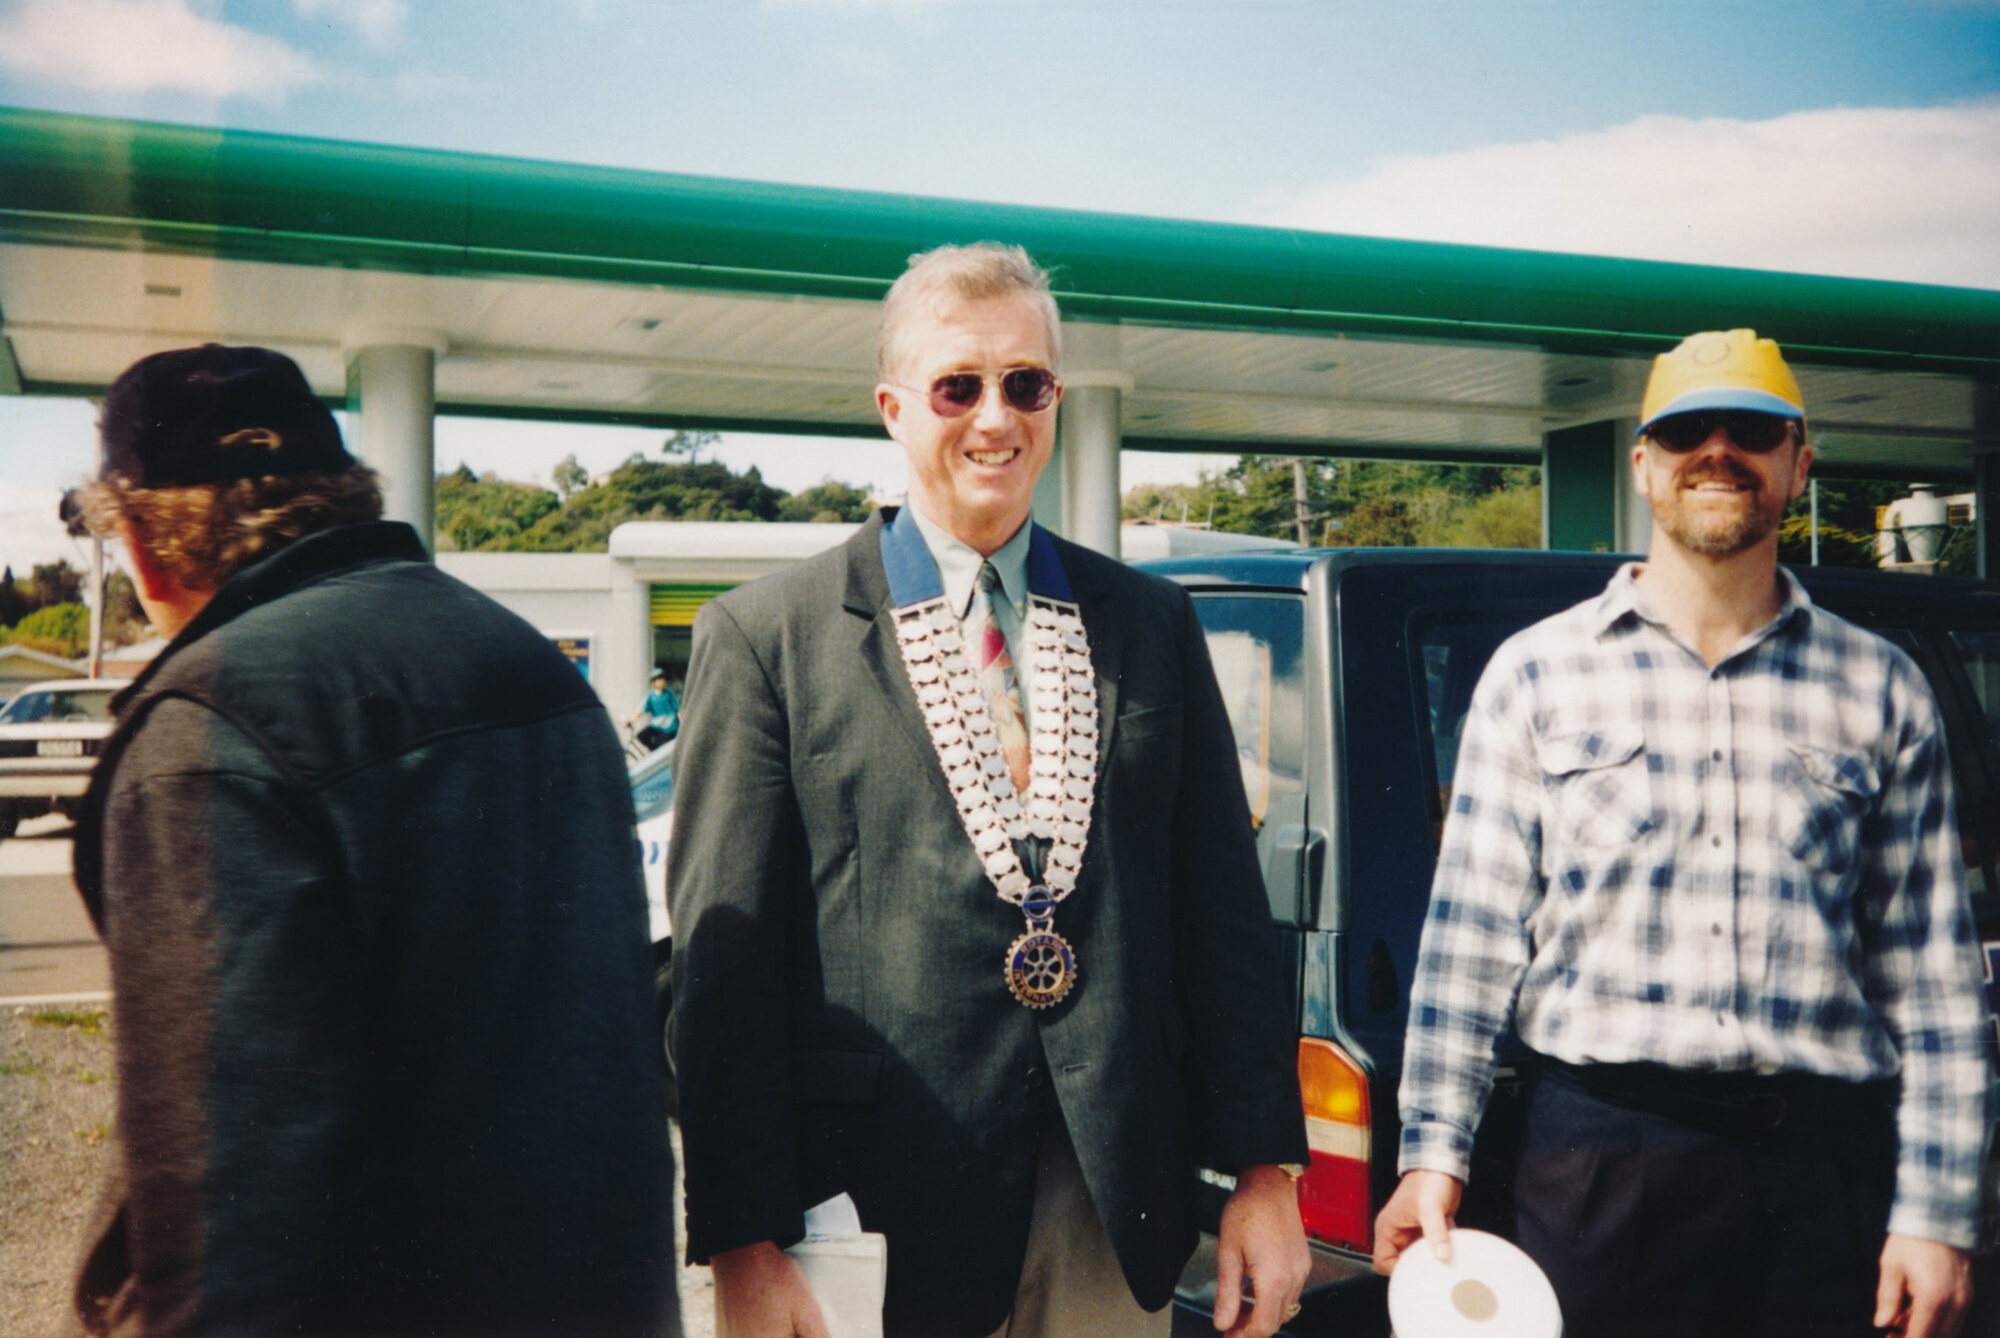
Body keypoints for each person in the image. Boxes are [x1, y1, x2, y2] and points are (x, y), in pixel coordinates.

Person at [669, 243, 1311, 1338]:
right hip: (870, 1210)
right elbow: (723, 970)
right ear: (891, 408)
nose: (995, 418)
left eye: (1028, 384)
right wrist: (742, 1240)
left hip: (1108, 1209)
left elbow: (1222, 922)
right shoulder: (767, 638)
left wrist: (1265, 1174)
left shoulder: (1148, 627)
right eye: (957, 387)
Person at [1373, 330, 1990, 1338]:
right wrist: (1431, 1157)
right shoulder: (1535, 676)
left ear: (1799, 461)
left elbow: (1930, 981)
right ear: (1641, 465)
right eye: (1680, 431)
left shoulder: (1881, 688)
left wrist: (1932, 1214)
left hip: (1819, 1173)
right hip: (1595, 1167)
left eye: (1748, 429)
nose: (1715, 450)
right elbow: (1469, 944)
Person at [69, 345, 677, 1338]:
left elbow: (226, 1202)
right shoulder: (531, 668)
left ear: (141, 542)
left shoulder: (212, 724)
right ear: (343, 496)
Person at [629, 667, 681, 751]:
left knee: (663, 745)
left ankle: (658, 753)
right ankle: (654, 751)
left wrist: (682, 724)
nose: (662, 681)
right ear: (653, 682)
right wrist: (631, 721)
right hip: (656, 725)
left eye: (663, 678)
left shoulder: (669, 693)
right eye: (659, 679)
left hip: (669, 726)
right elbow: (642, 710)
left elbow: (678, 709)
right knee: (641, 736)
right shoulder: (651, 695)